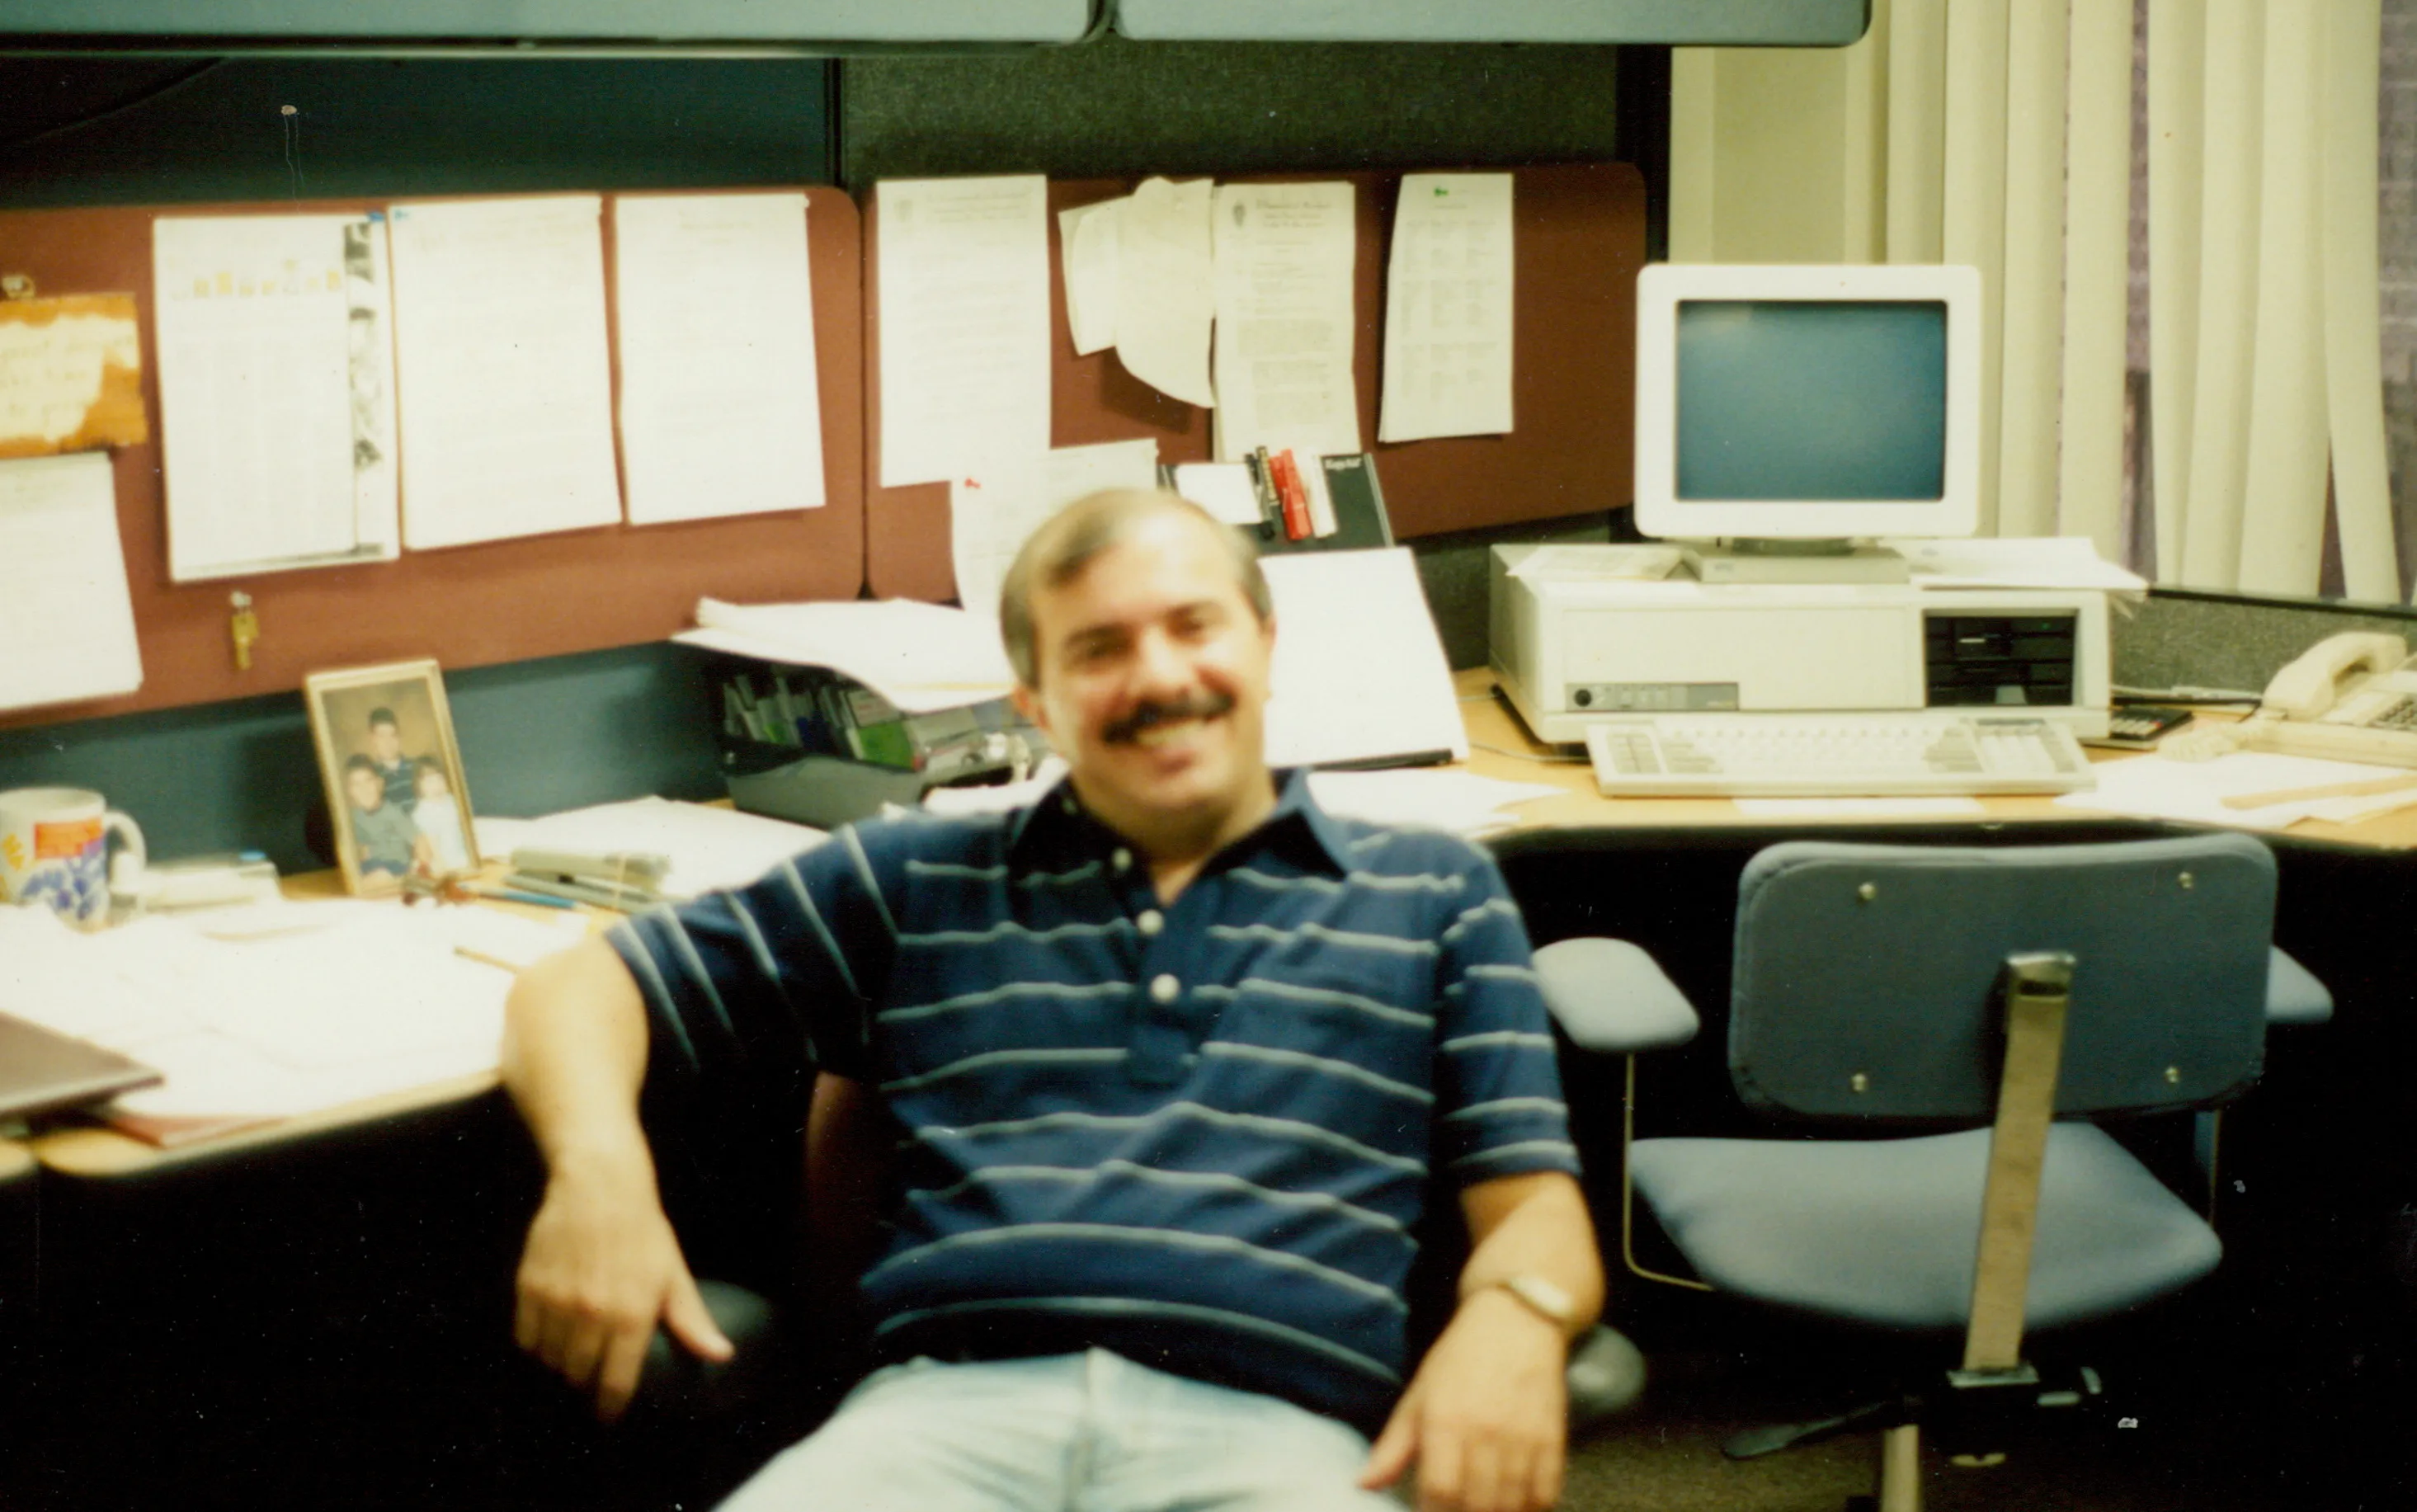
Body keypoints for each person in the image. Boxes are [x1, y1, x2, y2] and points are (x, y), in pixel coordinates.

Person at [502, 488, 1604, 1512]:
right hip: (941, 1426)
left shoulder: (1430, 891)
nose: (1158, 674)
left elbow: (1537, 1214)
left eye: (1193, 626)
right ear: (1034, 701)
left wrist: (1517, 1317)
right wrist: (598, 1174)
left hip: (1273, 1437)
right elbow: (578, 983)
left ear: (1265, 647)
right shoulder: (920, 875)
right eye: (1099, 648)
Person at [344, 754, 430, 888]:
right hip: (367, 866)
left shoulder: (393, 812)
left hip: (394, 867)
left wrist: (422, 866)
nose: (364, 789)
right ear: (350, 791)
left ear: (380, 784)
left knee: (380, 876)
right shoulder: (354, 817)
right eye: (356, 784)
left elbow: (419, 839)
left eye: (368, 781)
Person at [411, 756, 470, 876]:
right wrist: (441, 864)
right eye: (430, 781)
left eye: (440, 779)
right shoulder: (423, 812)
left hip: (460, 853)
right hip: (441, 860)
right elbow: (432, 842)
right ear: (419, 785)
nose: (436, 786)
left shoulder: (451, 801)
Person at [365, 707, 416, 811]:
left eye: (393, 735)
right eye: (382, 736)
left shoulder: (416, 767)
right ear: (373, 739)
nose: (388, 742)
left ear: (399, 737)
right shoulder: (372, 777)